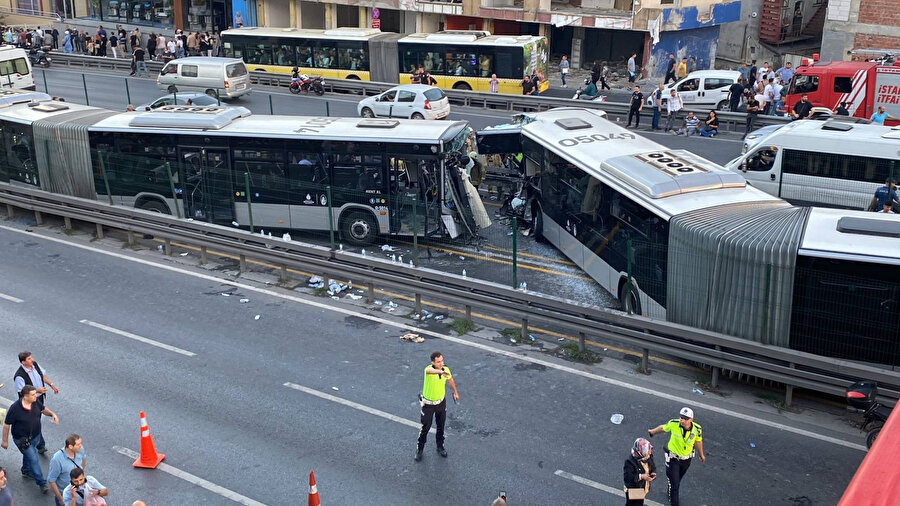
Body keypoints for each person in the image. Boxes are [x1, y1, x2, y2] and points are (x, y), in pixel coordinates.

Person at [1, 385, 60, 494]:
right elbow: (6, 425)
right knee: (33, 459)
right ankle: (41, 483)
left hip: (35, 436)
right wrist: (4, 441)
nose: (36, 396)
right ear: (25, 396)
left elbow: (43, 409)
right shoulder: (15, 409)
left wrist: (52, 414)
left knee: (29, 455)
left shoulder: (35, 402)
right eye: (33, 395)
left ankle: (26, 470)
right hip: (22, 440)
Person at [647, 407, 705, 506]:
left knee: (678, 479)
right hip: (673, 459)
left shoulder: (697, 429)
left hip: (686, 460)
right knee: (675, 485)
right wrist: (652, 431)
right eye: (681, 417)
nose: (682, 420)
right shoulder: (674, 423)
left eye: (685, 418)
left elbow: (698, 441)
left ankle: (671, 485)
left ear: (691, 419)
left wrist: (701, 455)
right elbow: (663, 428)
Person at [414, 351, 459, 462]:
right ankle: (419, 449)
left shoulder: (446, 370)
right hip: (428, 405)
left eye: (442, 361)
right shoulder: (428, 370)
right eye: (438, 362)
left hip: (441, 403)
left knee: (441, 426)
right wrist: (440, 371)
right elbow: (430, 371)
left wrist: (455, 392)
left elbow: (450, 380)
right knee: (425, 427)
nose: (441, 363)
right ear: (432, 362)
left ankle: (440, 446)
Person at [14, 351, 59, 422]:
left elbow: (42, 376)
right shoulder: (19, 376)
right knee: (31, 418)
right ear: (23, 362)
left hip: (39, 397)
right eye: (29, 359)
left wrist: (52, 385)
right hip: (29, 400)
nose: (32, 360)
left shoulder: (35, 365)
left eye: (31, 357)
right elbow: (22, 393)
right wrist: (37, 391)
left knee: (38, 414)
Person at [48, 434, 87, 506]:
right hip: (66, 494)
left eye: (80, 443)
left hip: (80, 492)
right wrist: (60, 499)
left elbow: (83, 460)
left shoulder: (80, 449)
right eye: (78, 444)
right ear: (70, 446)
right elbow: (51, 480)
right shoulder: (57, 459)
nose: (81, 446)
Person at [623, 437, 656, 506]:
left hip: (642, 487)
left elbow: (652, 465)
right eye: (647, 451)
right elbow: (628, 478)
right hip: (634, 489)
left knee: (639, 503)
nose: (650, 452)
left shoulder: (648, 456)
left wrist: (653, 472)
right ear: (641, 452)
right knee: (633, 504)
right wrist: (641, 476)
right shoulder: (629, 462)